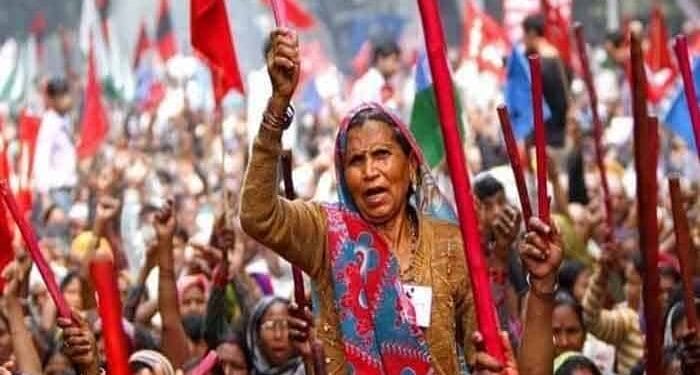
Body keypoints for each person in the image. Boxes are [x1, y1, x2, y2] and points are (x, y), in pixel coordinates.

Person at [241, 27, 562, 375]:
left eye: (382, 155)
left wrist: (539, 292)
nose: (369, 171)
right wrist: (277, 107)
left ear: (410, 165)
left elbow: (486, 351)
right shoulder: (325, 233)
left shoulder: (450, 245)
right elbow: (258, 215)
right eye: (355, 161)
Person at [521, 14, 571, 150]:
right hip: (560, 133)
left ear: (531, 34)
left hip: (546, 137)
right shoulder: (559, 58)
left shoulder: (539, 64)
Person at [33, 78, 78, 213]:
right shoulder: (50, 122)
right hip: (55, 193)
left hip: (67, 189)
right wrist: (46, 197)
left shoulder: (65, 119)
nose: (67, 99)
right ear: (52, 99)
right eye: (62, 95)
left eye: (67, 93)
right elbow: (41, 159)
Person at [246, 297, 302, 375]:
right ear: (256, 335)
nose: (278, 335)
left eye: (285, 325)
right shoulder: (243, 371)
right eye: (269, 326)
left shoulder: (311, 368)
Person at [349, 38, 402, 109]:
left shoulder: (378, 82)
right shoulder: (370, 84)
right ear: (381, 59)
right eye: (394, 60)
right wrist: (393, 104)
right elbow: (368, 115)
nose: (396, 67)